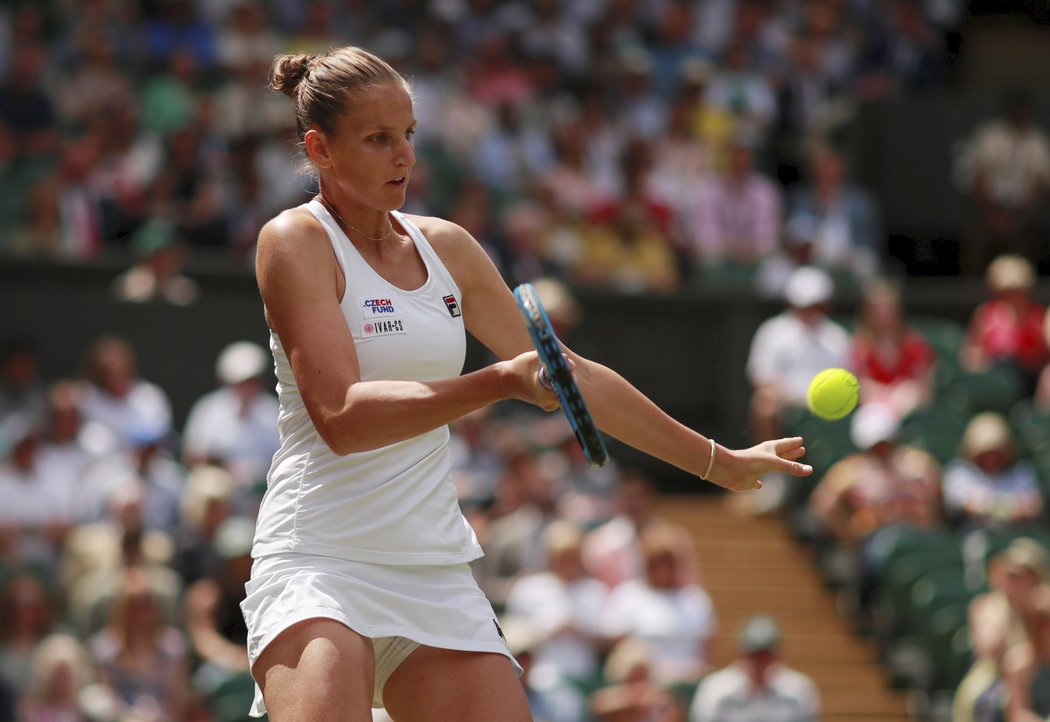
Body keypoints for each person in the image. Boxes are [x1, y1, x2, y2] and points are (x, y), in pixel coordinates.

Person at [244, 46, 812, 722]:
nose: (405, 156)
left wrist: (718, 463)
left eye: (409, 135)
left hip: (431, 567)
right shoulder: (293, 242)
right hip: (320, 560)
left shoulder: (447, 248)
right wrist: (498, 382)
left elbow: (572, 375)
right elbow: (341, 417)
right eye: (378, 140)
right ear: (321, 148)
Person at [688, 614, 821, 722]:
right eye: (754, 655)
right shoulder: (715, 688)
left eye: (765, 656)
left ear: (778, 656)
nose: (760, 663)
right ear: (739, 654)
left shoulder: (798, 689)